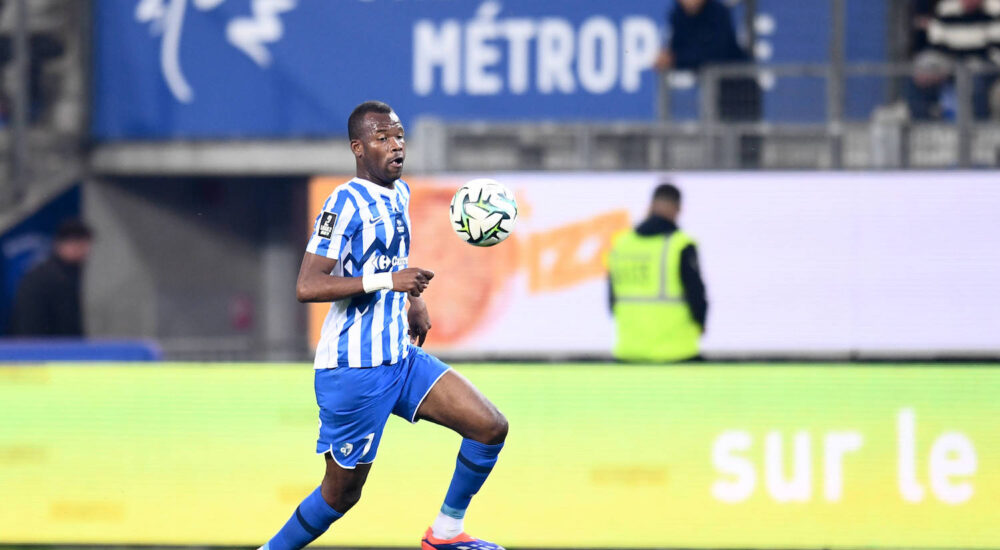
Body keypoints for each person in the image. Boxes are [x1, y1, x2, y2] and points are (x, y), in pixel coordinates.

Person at [260, 101, 508, 550]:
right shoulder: (343, 204)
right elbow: (308, 285)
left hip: (400, 357)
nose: (396, 147)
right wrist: (388, 282)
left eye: (399, 138)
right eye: (383, 139)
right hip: (354, 370)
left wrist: (412, 300)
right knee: (340, 496)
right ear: (358, 148)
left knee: (489, 426)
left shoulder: (400, 193)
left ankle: (445, 533)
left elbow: (390, 259)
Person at [607, 184, 707, 362]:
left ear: (651, 205)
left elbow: (611, 300)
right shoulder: (680, 244)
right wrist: (701, 322)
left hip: (629, 351)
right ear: (677, 208)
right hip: (677, 351)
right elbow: (696, 294)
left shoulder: (621, 244)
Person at [655, 0, 761, 165]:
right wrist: (668, 57)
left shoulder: (718, 12)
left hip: (740, 87)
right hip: (715, 91)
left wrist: (676, 59)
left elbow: (715, 53)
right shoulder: (677, 14)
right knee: (717, 142)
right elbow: (676, 47)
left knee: (745, 147)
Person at [908, 0, 1000, 120]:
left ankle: (976, 129)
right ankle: (924, 125)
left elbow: (994, 49)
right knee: (920, 73)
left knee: (976, 82)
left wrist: (968, 63)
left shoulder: (995, 9)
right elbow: (937, 43)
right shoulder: (946, 8)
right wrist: (939, 68)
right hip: (950, 61)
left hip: (982, 64)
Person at [7, 219, 92, 337]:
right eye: (80, 244)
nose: (85, 250)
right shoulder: (51, 278)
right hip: (44, 349)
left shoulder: (65, 273)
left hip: (47, 347)